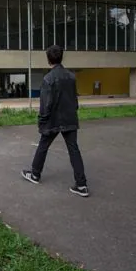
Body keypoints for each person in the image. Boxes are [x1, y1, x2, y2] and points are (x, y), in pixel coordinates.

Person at [21, 45, 89, 197]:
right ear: (61, 57)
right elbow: (75, 100)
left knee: (43, 146)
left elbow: (46, 104)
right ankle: (82, 185)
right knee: (74, 150)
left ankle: (35, 174)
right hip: (70, 118)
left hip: (53, 120)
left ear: (48, 59)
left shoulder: (48, 79)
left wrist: (42, 121)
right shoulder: (71, 77)